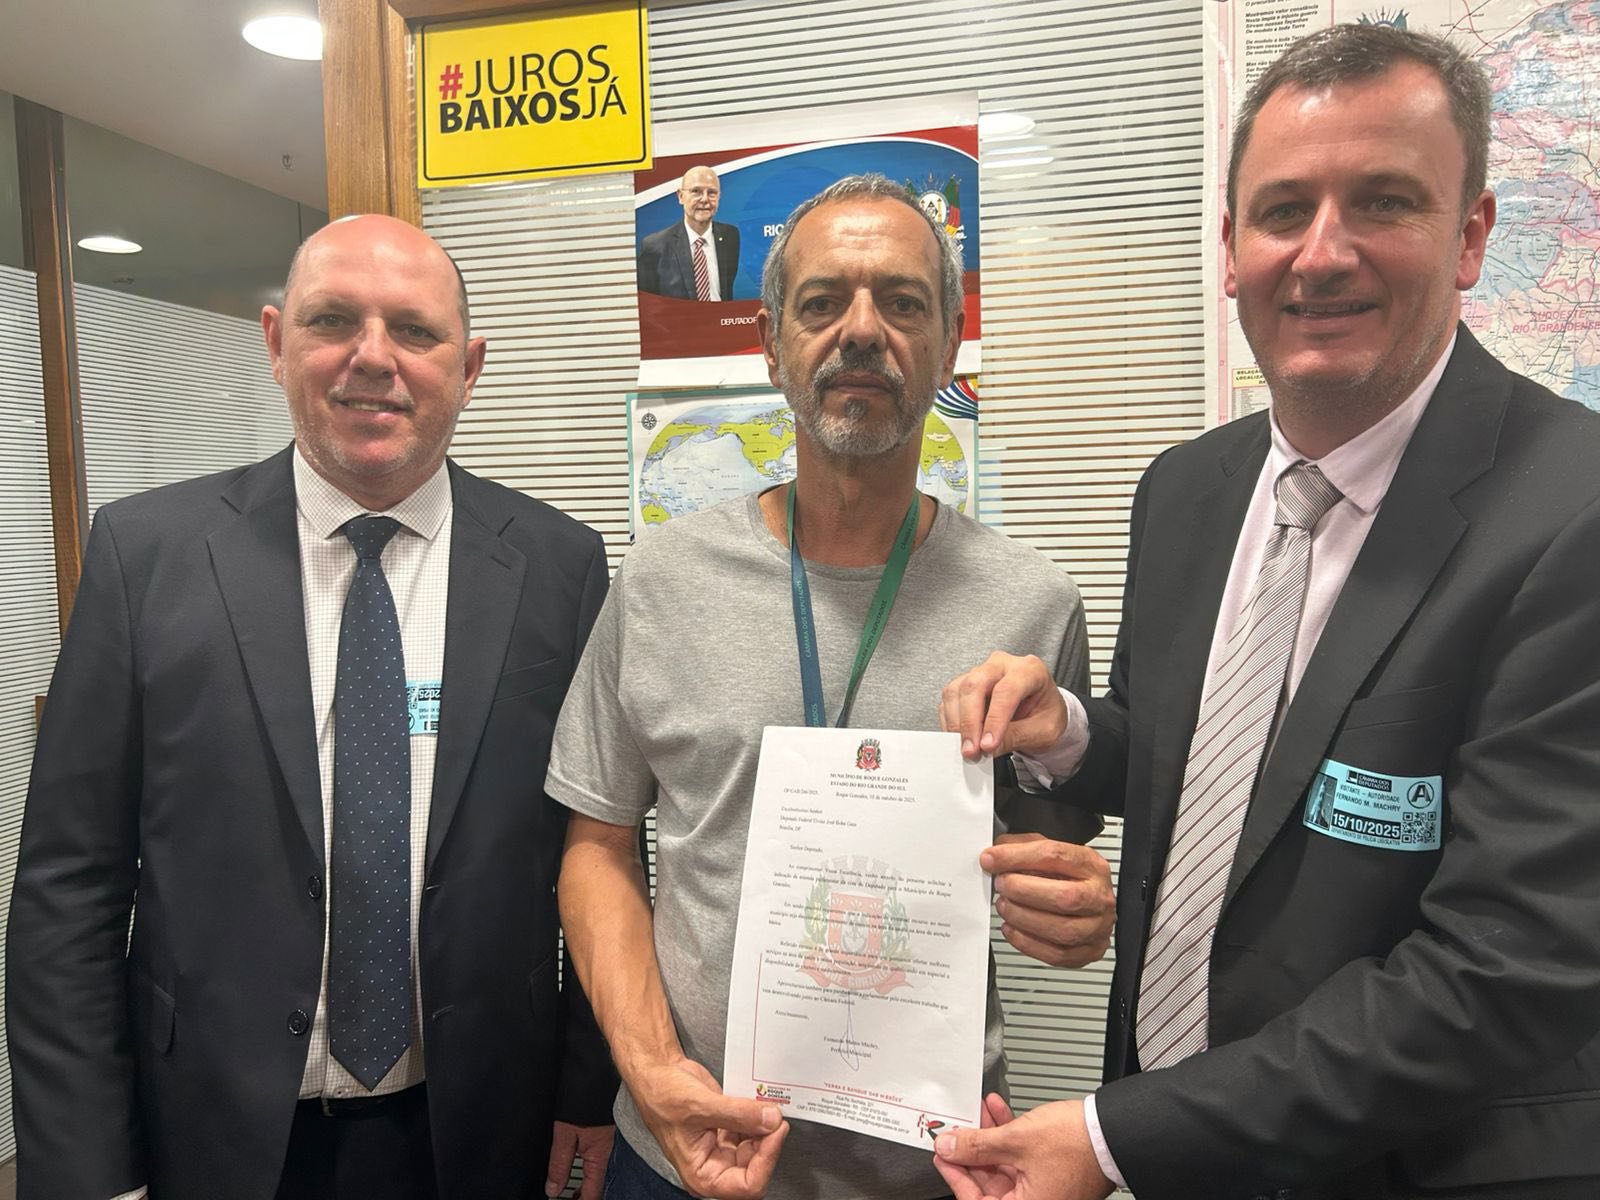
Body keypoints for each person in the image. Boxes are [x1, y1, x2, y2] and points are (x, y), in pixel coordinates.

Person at [934, 23, 1600, 1200]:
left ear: (1470, 238)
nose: (1322, 254)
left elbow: (1502, 965)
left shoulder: (1572, 511)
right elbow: (1207, 766)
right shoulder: (1185, 491)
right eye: (1283, 211)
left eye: (1383, 202)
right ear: (1230, 250)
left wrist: (1109, 1140)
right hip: (1173, 1146)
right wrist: (1072, 735)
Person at [6, 214, 618, 1200]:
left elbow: (599, 848)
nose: (373, 357)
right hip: (212, 1131)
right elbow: (68, 891)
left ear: (469, 367)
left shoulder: (560, 567)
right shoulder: (145, 557)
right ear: (275, 341)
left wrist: (589, 1085)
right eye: (333, 320)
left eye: (414, 330)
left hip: (476, 1128)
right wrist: (86, 1167)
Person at [550, 174, 1115, 1200]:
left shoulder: (1033, 605)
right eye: (822, 303)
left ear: (949, 340)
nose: (861, 330)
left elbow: (1056, 860)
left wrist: (1074, 913)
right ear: (771, 343)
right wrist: (651, 1070)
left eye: (902, 302)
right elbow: (597, 848)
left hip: (938, 1168)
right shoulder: (660, 582)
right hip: (683, 1153)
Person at [637, 165, 741, 301]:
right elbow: (648, 304)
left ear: (719, 197)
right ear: (681, 196)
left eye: (711, 193)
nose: (704, 199)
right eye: (696, 191)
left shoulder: (730, 236)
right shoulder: (655, 246)